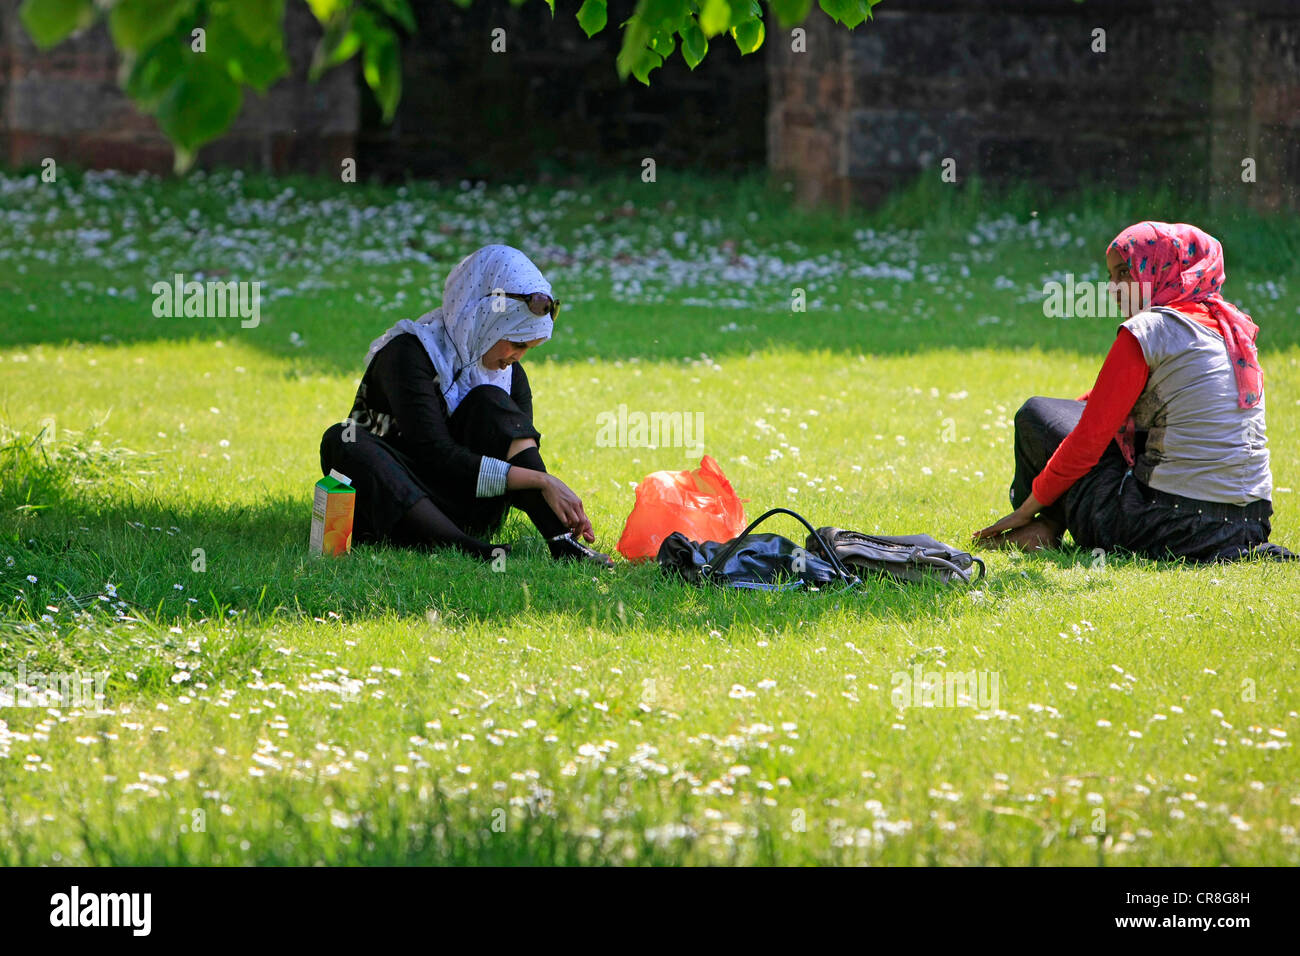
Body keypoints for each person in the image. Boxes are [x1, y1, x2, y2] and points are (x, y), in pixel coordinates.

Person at [973, 221, 1292, 563]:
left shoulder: (1148, 329)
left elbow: (1086, 443)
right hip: (1248, 526)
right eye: (1111, 277)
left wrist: (1026, 508)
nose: (1114, 289)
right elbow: (1102, 409)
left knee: (1036, 414)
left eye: (1125, 272)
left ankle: (1037, 527)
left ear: (1162, 268)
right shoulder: (1232, 328)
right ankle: (1046, 526)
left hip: (1169, 525)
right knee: (1092, 423)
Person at [319, 244, 613, 567]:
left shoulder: (510, 379)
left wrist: (545, 493)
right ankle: (467, 548)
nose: (517, 358)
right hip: (399, 504)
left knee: (490, 402)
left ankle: (561, 543)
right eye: (516, 343)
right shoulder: (408, 354)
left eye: (528, 348)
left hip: (470, 503)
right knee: (343, 440)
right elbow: (438, 457)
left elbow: (512, 458)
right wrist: (543, 480)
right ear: (484, 318)